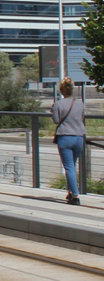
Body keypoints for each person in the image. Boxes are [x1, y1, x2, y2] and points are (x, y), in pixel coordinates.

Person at [51, 77, 86, 205]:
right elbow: (82, 118)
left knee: (69, 167)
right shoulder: (80, 103)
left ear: (61, 91)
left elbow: (55, 120)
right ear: (72, 90)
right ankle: (71, 192)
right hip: (79, 137)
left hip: (65, 137)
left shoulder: (58, 104)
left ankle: (75, 196)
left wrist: (53, 111)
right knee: (72, 165)